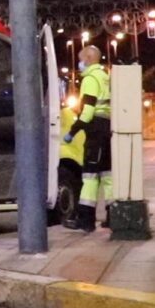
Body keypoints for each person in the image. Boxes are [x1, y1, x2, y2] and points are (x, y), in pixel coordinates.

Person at [64, 45, 112, 233]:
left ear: (89, 59)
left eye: (81, 59)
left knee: (90, 176)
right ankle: (113, 216)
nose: (79, 63)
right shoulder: (105, 76)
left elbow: (88, 110)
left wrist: (73, 131)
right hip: (107, 129)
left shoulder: (90, 79)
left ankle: (85, 220)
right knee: (108, 176)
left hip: (95, 131)